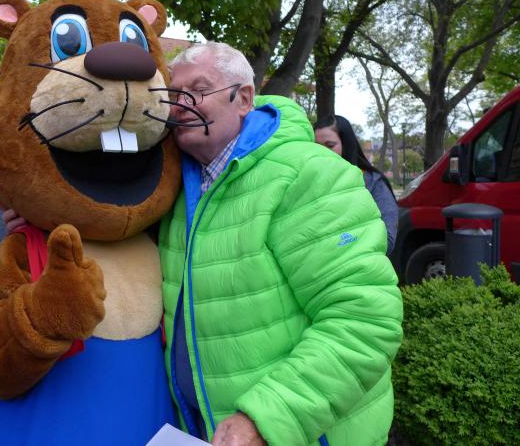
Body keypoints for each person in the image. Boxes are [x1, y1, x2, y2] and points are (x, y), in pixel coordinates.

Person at [159, 42, 403, 445]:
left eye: (198, 91)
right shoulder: (174, 187)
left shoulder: (309, 175)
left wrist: (268, 418)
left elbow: (364, 321)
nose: (180, 105)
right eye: (173, 94)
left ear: (244, 99)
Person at [314, 114, 399, 254]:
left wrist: (338, 243)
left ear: (346, 144)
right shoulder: (308, 183)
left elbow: (387, 240)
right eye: (316, 146)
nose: (321, 153)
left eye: (330, 146)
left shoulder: (373, 183)